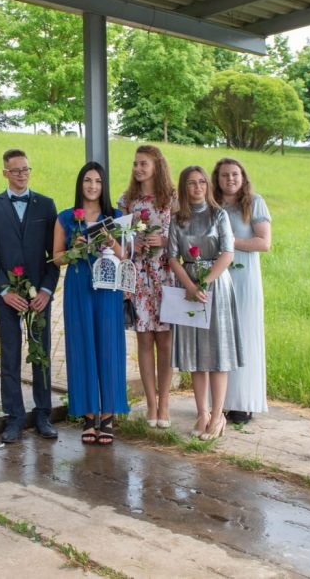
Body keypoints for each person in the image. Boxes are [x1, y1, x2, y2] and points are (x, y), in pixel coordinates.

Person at [0, 149, 60, 443]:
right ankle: (13, 417)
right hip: (7, 295)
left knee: (41, 354)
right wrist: (5, 291)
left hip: (39, 295)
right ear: (5, 173)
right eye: (16, 170)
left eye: (26, 169)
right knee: (10, 353)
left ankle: (43, 414)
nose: (22, 175)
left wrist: (47, 291)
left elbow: (55, 255)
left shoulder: (46, 205)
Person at [52, 162, 128, 446]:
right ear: (80, 183)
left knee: (109, 346)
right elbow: (56, 258)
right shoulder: (65, 217)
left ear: (103, 185)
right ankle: (88, 415)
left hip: (108, 286)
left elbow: (124, 256)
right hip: (79, 285)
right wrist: (74, 249)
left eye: (97, 181)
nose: (92, 186)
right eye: (87, 180)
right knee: (81, 346)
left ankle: (108, 416)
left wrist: (109, 240)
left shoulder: (115, 217)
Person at [168, 166, 242, 441]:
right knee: (196, 354)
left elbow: (228, 252)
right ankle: (202, 413)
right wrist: (190, 285)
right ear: (184, 187)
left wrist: (205, 282)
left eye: (202, 182)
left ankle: (219, 414)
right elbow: (172, 256)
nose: (198, 187)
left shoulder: (218, 215)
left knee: (217, 352)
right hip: (188, 287)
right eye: (191, 183)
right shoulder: (177, 219)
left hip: (216, 285)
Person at [117, 145, 175, 429]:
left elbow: (185, 233)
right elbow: (119, 237)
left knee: (165, 341)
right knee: (144, 339)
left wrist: (164, 241)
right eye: (135, 164)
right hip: (139, 275)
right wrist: (133, 243)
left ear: (157, 166)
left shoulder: (172, 197)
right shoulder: (127, 199)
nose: (138, 168)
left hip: (165, 274)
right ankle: (151, 403)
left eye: (144, 164)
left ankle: (164, 403)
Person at [212, 158, 271, 425]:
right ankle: (221, 402)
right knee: (220, 338)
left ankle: (244, 403)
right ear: (217, 179)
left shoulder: (254, 202)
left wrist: (229, 242)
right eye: (225, 175)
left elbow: (263, 242)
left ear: (243, 177)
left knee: (244, 335)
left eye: (235, 174)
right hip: (218, 275)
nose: (230, 179)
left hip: (244, 276)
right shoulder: (213, 205)